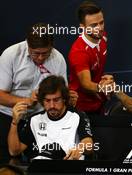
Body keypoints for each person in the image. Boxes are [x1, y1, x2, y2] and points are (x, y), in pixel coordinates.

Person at [0, 23, 71, 163]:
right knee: (6, 164)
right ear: (28, 44)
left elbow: (62, 94)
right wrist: (26, 101)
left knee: (41, 164)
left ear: (52, 47)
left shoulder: (58, 60)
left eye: (45, 53)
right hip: (7, 117)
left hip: (40, 121)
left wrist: (68, 98)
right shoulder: (10, 55)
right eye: (35, 53)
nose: (40, 58)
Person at [8, 75, 94, 160]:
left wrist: (80, 148)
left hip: (69, 166)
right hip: (42, 168)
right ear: (42, 101)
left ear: (64, 99)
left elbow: (89, 144)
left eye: (56, 100)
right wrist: (14, 123)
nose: (52, 105)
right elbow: (14, 151)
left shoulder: (77, 116)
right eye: (47, 101)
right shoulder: (35, 120)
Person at [68, 0, 111, 115]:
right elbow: (86, 83)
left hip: (99, 102)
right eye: (93, 25)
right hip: (82, 109)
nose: (100, 28)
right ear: (82, 27)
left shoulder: (102, 36)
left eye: (101, 23)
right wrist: (107, 88)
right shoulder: (79, 52)